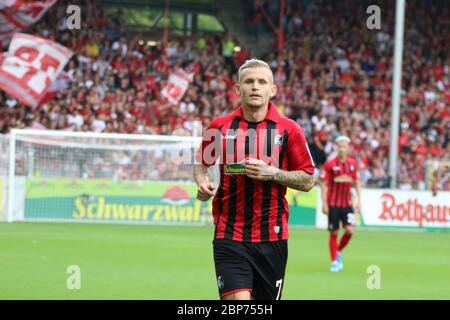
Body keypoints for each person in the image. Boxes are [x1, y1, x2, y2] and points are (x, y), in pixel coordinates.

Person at [193, 58, 316, 300]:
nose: (255, 87)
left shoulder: (289, 130)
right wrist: (202, 183)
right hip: (229, 235)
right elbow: (201, 165)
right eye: (249, 82)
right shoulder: (219, 126)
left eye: (262, 82)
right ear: (238, 89)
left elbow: (308, 180)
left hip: (272, 237)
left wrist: (274, 173)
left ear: (273, 90)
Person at [320, 135, 362, 272]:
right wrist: (324, 203)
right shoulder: (330, 164)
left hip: (347, 204)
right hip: (333, 204)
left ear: (348, 148)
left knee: (350, 230)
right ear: (336, 148)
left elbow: (357, 183)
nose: (342, 149)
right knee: (334, 232)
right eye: (340, 146)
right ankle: (333, 262)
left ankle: (338, 251)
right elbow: (324, 184)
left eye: (344, 146)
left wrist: (360, 201)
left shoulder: (353, 164)